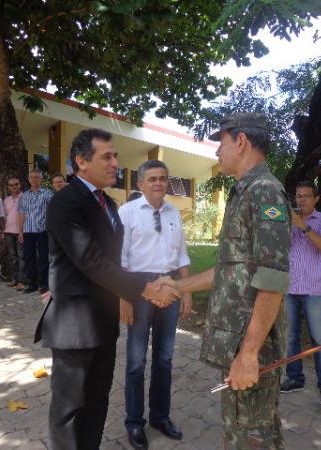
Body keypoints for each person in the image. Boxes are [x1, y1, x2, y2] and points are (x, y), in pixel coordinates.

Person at [34, 128, 180, 450]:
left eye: (115, 156)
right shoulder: (65, 202)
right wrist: (146, 289)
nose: (116, 163)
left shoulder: (109, 205)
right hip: (74, 325)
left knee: (98, 400)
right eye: (107, 156)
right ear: (81, 162)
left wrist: (129, 294)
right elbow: (92, 261)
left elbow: (114, 263)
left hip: (103, 322)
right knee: (69, 408)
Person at [174, 113, 291, 449]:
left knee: (251, 434)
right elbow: (232, 269)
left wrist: (250, 354)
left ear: (241, 142)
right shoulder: (244, 192)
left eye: (220, 142)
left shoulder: (265, 193)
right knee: (247, 427)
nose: (216, 152)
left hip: (251, 344)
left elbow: (272, 279)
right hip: (237, 341)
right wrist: (180, 286)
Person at [118, 160, 192, 449]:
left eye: (163, 178)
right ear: (140, 184)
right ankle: (134, 423)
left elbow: (182, 254)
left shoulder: (174, 213)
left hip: (171, 286)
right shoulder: (127, 212)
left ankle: (160, 416)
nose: (159, 183)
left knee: (165, 358)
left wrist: (186, 291)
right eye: (152, 179)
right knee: (136, 361)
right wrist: (124, 298)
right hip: (139, 289)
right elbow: (120, 260)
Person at [279, 180, 321, 408]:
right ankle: (295, 378)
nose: (301, 200)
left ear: (316, 198)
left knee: (319, 339)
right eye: (298, 196)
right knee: (291, 337)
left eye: (306, 196)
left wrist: (302, 225)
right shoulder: (287, 219)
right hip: (290, 289)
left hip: (314, 290)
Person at [18, 169, 53, 294]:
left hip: (42, 231)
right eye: (32, 177)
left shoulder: (48, 193)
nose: (34, 179)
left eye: (37, 177)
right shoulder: (24, 196)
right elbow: (21, 214)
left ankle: (44, 285)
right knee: (29, 258)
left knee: (43, 258)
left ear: (41, 179)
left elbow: (54, 209)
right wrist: (21, 231)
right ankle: (31, 284)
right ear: (29, 179)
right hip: (28, 231)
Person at [3, 176, 24, 291]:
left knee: (22, 257)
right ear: (8, 187)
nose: (14, 186)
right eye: (11, 185)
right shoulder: (6, 200)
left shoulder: (25, 197)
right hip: (9, 231)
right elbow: (5, 216)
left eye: (16, 184)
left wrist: (23, 231)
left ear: (20, 185)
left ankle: (21, 281)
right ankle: (15, 279)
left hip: (21, 232)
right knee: (12, 256)